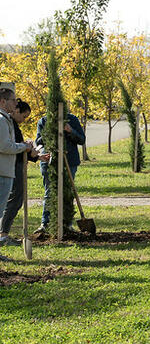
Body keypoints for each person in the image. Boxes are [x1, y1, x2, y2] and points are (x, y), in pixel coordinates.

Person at [0, 100, 46, 248]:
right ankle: (3, 234)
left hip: (16, 166)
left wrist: (35, 155)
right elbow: (12, 148)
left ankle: (3, 233)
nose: (24, 120)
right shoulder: (7, 123)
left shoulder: (13, 125)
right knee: (14, 200)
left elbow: (21, 148)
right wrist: (26, 148)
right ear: (17, 110)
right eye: (24, 116)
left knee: (16, 200)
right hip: (11, 167)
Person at [34, 106, 86, 236]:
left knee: (68, 191)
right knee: (49, 191)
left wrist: (70, 130)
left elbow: (82, 139)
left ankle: (67, 223)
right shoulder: (43, 121)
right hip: (49, 161)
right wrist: (49, 131)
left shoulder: (72, 120)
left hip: (70, 161)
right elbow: (38, 142)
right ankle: (45, 223)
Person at [0, 90, 34, 255]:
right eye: (13, 100)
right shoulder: (2, 121)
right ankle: (3, 236)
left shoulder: (6, 120)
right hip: (4, 171)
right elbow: (5, 146)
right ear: (3, 102)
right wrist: (23, 147)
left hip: (8, 170)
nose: (15, 103)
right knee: (6, 207)